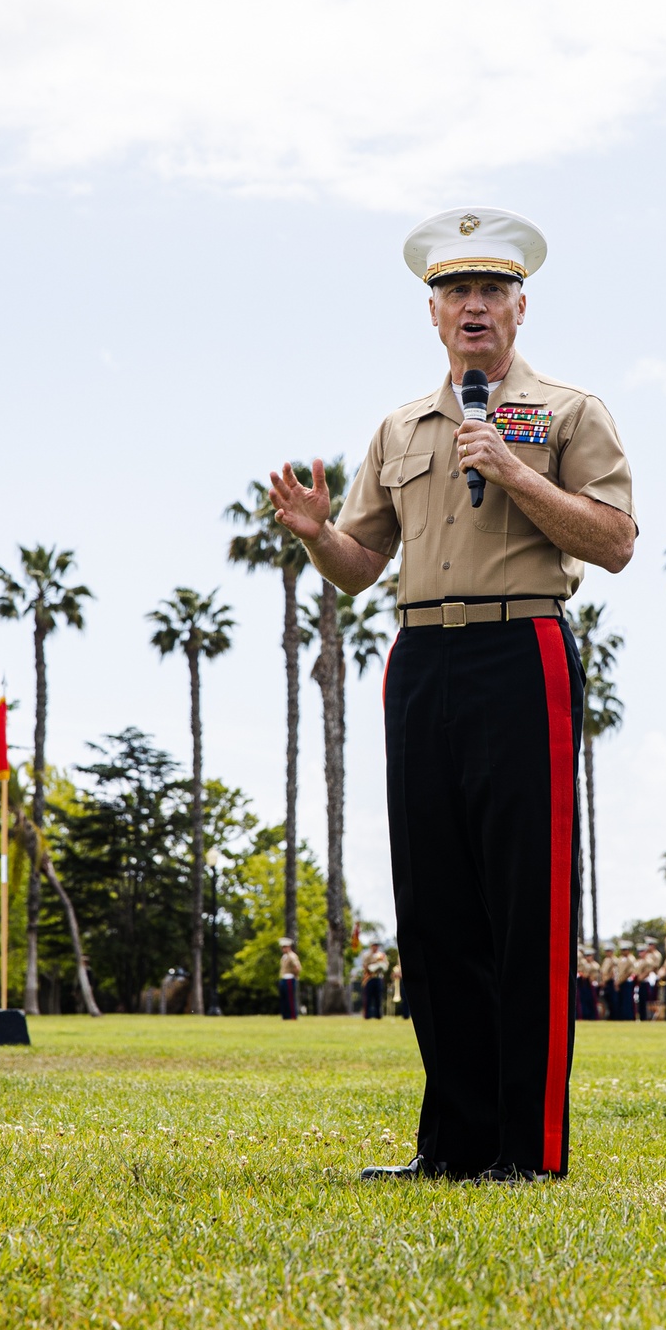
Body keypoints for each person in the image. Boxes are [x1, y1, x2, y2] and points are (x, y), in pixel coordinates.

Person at [271, 207, 636, 1184]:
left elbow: (612, 541)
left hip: (523, 653)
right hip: (419, 661)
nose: (472, 307)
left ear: (520, 306)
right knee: (435, 918)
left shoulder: (567, 412)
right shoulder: (399, 426)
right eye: (453, 292)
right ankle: (454, 1146)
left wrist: (514, 471)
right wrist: (314, 532)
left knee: (527, 908)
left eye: (489, 291)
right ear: (432, 313)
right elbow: (360, 564)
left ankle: (528, 1152)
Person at [362, 942, 390, 1019]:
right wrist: (374, 964)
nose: (375, 947)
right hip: (370, 978)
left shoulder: (382, 955)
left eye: (377, 946)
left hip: (378, 978)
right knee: (368, 998)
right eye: (374, 945)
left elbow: (386, 965)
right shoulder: (367, 955)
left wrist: (381, 965)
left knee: (378, 997)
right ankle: (367, 1016)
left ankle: (379, 1015)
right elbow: (365, 965)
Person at [278, 938, 301, 1020]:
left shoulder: (292, 956)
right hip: (283, 978)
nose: (283, 949)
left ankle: (292, 1016)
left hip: (290, 978)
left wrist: (295, 975)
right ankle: (285, 1016)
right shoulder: (284, 957)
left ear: (289, 947)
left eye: (285, 947)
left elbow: (297, 967)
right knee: (284, 999)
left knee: (290, 999)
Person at [615, 942, 637, 1021]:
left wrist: (620, 981)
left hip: (627, 982)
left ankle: (629, 1017)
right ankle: (622, 1016)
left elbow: (629, 972)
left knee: (628, 1001)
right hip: (621, 982)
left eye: (625, 950)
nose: (623, 951)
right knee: (622, 1001)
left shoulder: (631, 959)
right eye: (622, 950)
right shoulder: (621, 959)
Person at [599, 945, 617, 1020]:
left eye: (609, 951)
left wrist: (605, 981)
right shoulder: (606, 960)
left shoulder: (614, 960)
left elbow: (612, 973)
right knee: (606, 1000)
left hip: (610, 982)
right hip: (605, 982)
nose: (607, 952)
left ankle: (613, 1016)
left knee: (612, 1000)